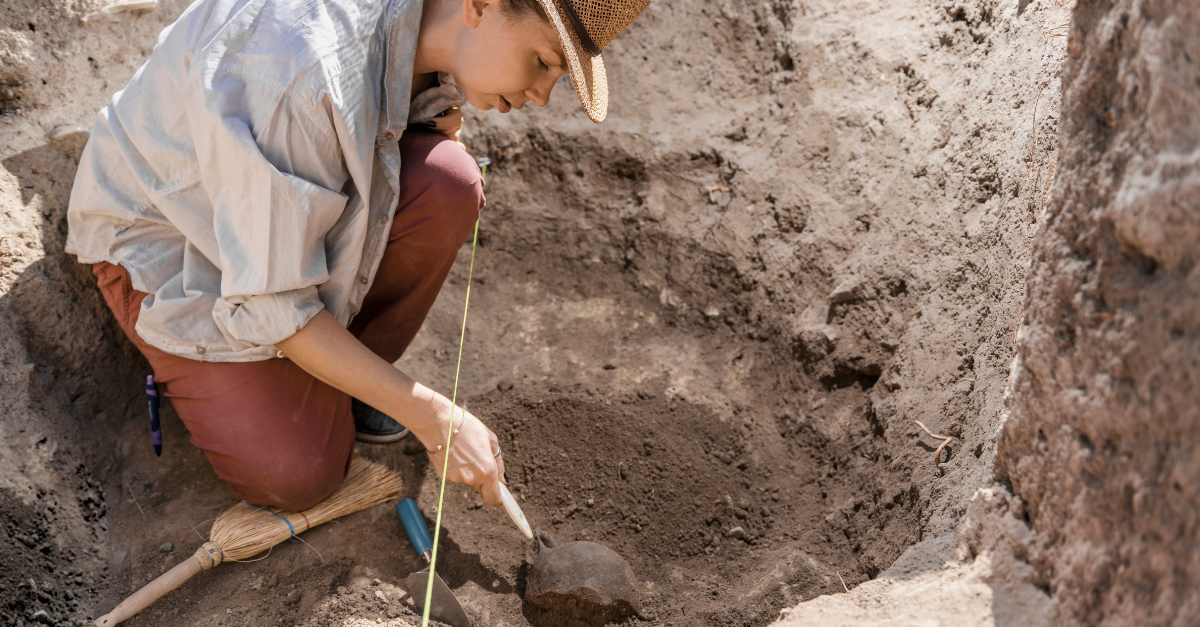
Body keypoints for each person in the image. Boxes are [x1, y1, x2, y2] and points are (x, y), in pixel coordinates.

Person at [66, 0, 652, 512]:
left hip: (269, 221)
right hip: (175, 236)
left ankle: (339, 381)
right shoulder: (300, 68)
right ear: (482, 5)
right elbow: (273, 304)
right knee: (298, 474)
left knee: (448, 182)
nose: (542, 97)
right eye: (545, 62)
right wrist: (435, 418)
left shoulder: (425, 27)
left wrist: (426, 107)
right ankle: (311, 385)